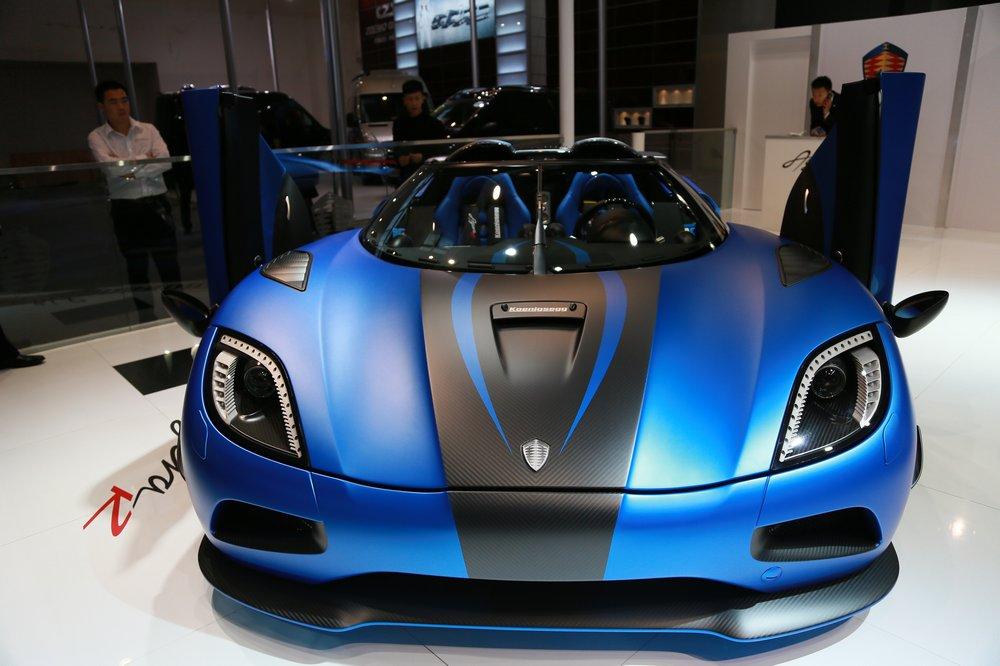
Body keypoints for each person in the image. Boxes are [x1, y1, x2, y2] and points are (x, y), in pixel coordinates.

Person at [88, 80, 181, 322]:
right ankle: (145, 319)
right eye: (113, 102)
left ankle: (181, 316)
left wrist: (128, 170)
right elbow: (111, 170)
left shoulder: (148, 130)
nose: (121, 106)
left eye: (124, 100)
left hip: (157, 204)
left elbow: (165, 161)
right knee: (136, 268)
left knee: (169, 265)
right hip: (125, 208)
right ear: (101, 106)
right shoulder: (97, 137)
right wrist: (145, 160)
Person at [391, 79, 447, 180]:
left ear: (423, 99)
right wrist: (400, 158)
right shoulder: (399, 124)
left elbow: (441, 149)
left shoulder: (434, 124)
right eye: (410, 99)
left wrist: (423, 156)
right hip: (407, 173)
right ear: (404, 101)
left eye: (417, 98)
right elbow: (397, 146)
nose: (414, 103)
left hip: (430, 171)